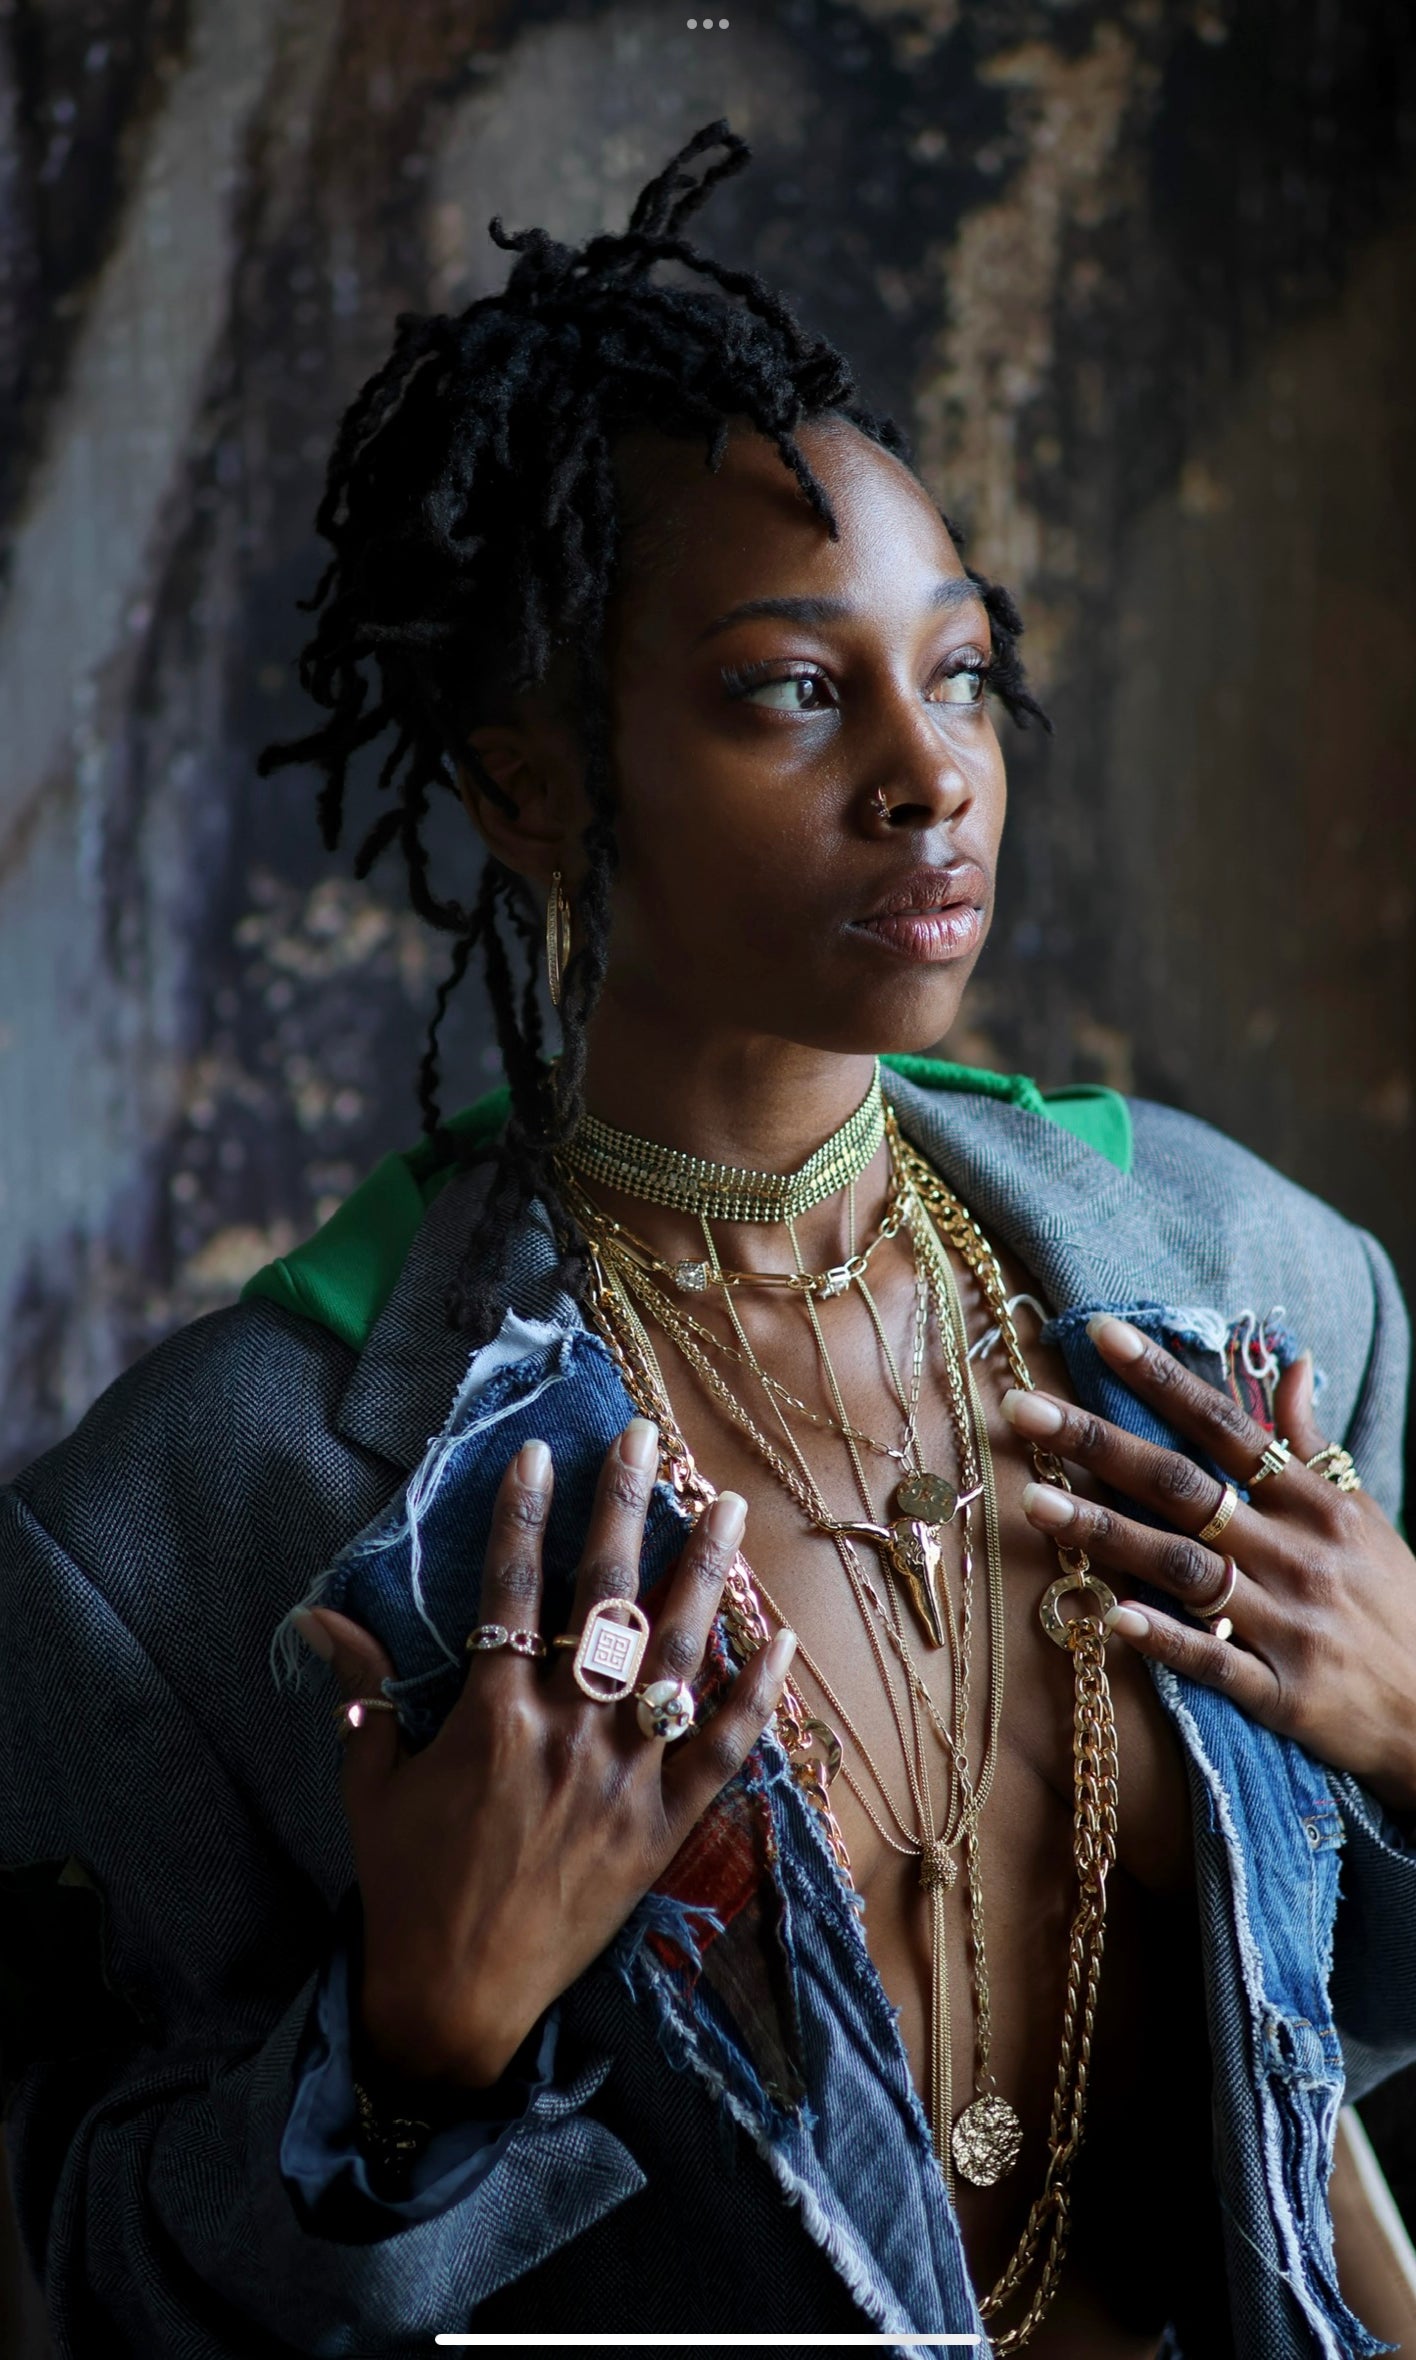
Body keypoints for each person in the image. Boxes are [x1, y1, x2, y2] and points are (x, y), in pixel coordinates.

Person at [2, 116, 1415, 2360]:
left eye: (958, 672)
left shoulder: (1266, 1297)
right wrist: (418, 2034)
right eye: (794, 686)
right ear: (531, 785)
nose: (929, 769)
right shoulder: (204, 1529)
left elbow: (1331, 2061)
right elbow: (91, 2275)